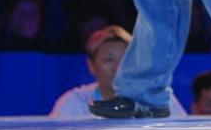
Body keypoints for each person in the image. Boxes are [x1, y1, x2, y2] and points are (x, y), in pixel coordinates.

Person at [50, 25, 186, 118]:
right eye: (109, 60)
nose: (118, 68)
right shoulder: (73, 103)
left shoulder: (156, 98)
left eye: (125, 60)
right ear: (91, 65)